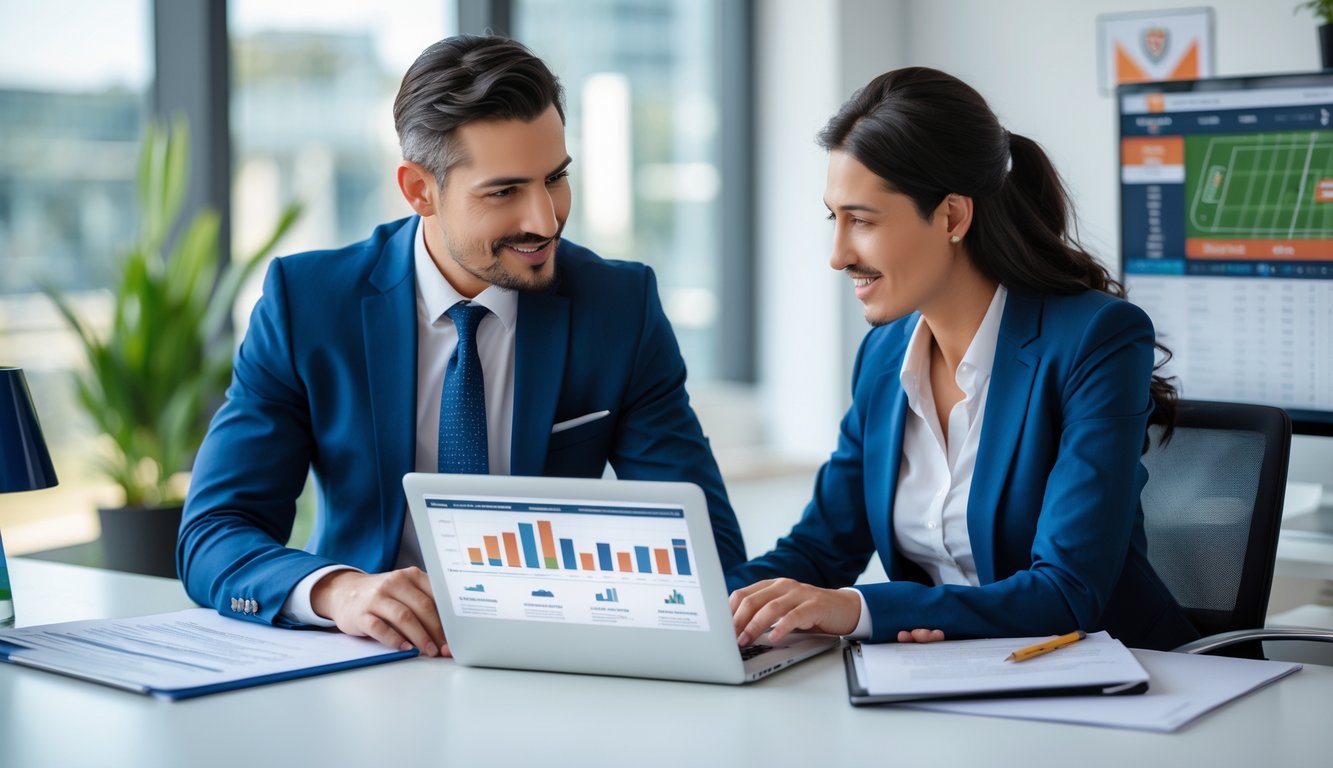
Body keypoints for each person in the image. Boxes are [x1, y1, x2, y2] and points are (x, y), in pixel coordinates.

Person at [178, 35, 745, 657]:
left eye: (555, 178)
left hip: (554, 658)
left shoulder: (619, 307)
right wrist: (339, 592)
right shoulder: (307, 303)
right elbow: (213, 532)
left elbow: (709, 552)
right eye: (504, 192)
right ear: (419, 190)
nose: (546, 218)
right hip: (359, 659)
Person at [726, 67, 1198, 652]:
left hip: (1120, 684)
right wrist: (705, 608)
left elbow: (1067, 593)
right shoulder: (883, 357)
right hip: (952, 692)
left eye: (862, 221)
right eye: (835, 218)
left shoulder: (1095, 339)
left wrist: (857, 608)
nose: (839, 254)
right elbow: (819, 550)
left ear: (952, 216)